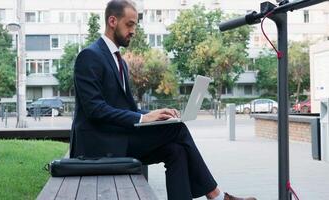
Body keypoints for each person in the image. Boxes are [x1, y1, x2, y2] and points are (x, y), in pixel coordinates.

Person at [70, 0, 257, 200]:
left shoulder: (120, 62)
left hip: (118, 138)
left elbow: (127, 108)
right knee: (177, 130)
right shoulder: (89, 56)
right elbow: (95, 110)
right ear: (112, 21)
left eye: (135, 25)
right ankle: (217, 196)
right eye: (129, 24)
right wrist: (144, 119)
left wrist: (159, 115)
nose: (133, 31)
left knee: (175, 149)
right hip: (97, 146)